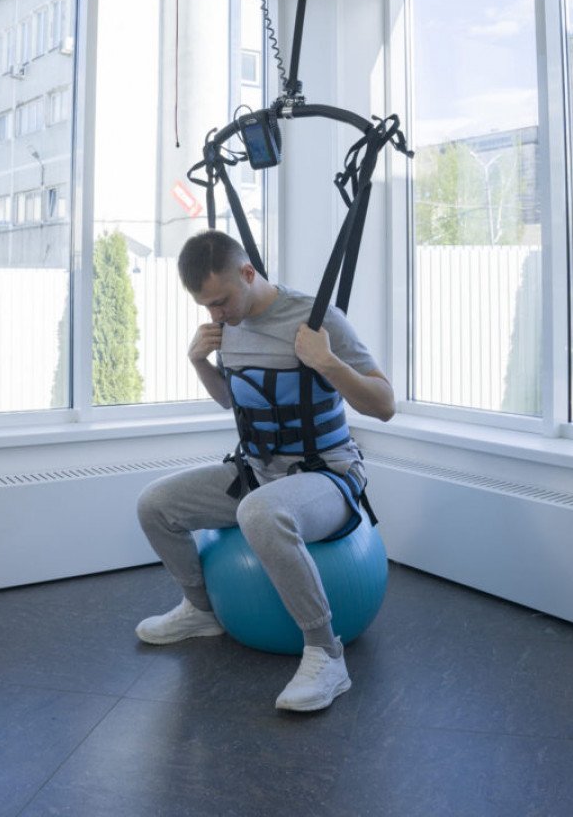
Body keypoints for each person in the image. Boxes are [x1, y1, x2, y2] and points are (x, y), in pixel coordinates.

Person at [135, 229, 395, 712]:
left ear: (248, 273)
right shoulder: (227, 326)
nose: (216, 315)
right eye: (205, 306)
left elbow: (384, 405)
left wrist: (328, 362)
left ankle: (326, 654)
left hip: (328, 477)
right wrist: (199, 362)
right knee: (155, 504)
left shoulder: (318, 318)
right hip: (258, 471)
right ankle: (202, 610)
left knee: (258, 513)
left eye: (221, 301)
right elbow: (235, 401)